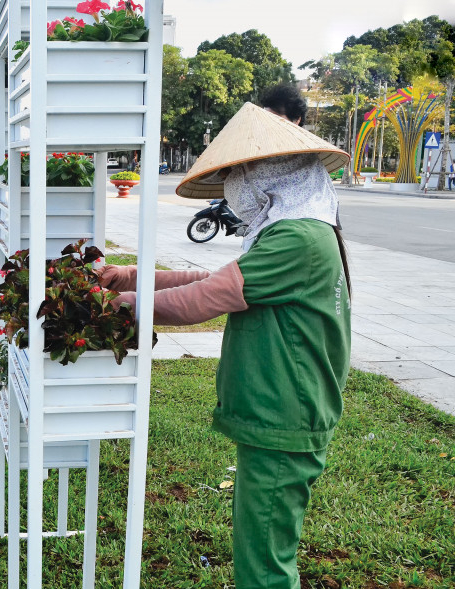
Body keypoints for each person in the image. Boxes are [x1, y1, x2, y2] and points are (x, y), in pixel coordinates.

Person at [99, 102, 352, 588]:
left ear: (269, 175)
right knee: (261, 544)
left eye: (239, 172)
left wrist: (126, 304)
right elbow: (216, 279)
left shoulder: (298, 237)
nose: (234, 186)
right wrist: (130, 276)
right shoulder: (295, 229)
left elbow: (209, 296)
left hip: (286, 410)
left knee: (265, 566)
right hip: (280, 409)